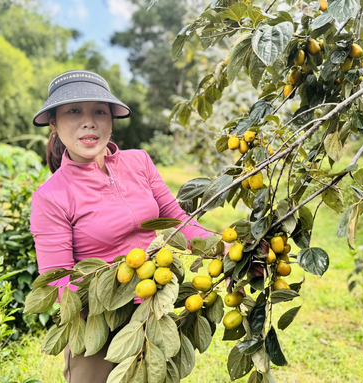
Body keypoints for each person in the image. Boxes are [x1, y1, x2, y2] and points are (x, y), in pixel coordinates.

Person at [28, 70, 215, 382]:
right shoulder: (51, 197)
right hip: (97, 323)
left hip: (153, 306)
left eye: (99, 111)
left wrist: (227, 247)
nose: (89, 122)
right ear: (53, 123)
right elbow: (58, 283)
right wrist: (115, 300)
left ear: (111, 120)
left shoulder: (139, 162)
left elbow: (176, 219)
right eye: (74, 111)